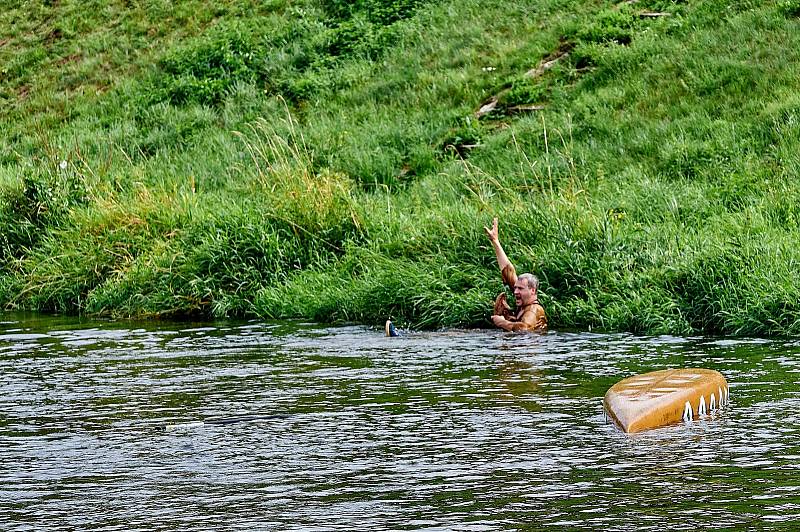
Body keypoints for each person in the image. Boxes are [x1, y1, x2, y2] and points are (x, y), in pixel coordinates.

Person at [484, 217, 547, 332]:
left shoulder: (533, 310)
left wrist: (502, 322)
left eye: (520, 289)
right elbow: (508, 271)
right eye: (516, 287)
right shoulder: (524, 301)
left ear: (532, 290)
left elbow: (524, 329)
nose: (515, 291)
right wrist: (495, 241)